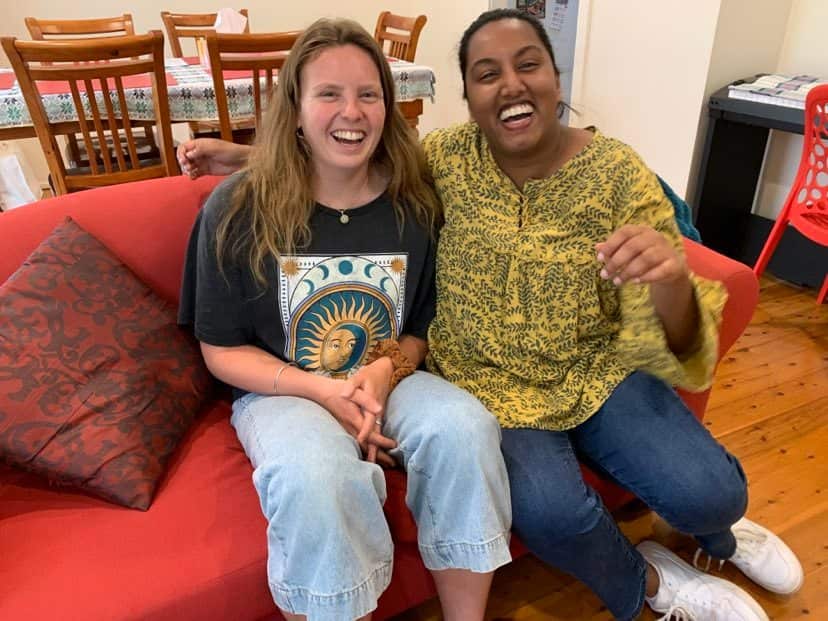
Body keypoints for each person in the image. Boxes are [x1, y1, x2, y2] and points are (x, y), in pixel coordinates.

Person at [178, 10, 804, 620]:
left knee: (713, 493)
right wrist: (246, 160)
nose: (511, 85)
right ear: (469, 97)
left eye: (528, 64)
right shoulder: (447, 160)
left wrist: (670, 277)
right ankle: (652, 577)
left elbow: (683, 348)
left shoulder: (607, 172)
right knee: (547, 511)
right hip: (491, 384)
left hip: (593, 371)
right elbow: (335, 154)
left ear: (556, 77)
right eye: (486, 73)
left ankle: (721, 535)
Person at [178, 18, 512, 621]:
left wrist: (385, 370)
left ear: (389, 105)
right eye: (328, 93)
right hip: (281, 388)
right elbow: (220, 350)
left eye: (368, 94)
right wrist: (325, 391)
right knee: (316, 477)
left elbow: (421, 326)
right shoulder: (236, 208)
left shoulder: (415, 202)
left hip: (390, 378)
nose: (350, 112)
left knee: (465, 428)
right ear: (297, 108)